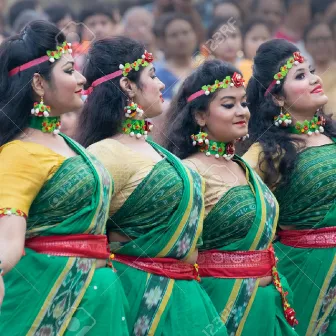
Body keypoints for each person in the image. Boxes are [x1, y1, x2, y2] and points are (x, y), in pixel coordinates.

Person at [77, 36, 228, 336]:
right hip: (139, 297)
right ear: (127, 85)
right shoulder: (105, 154)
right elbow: (82, 239)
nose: (161, 86)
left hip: (187, 297)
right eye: (153, 76)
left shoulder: (161, 152)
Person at [0, 21, 129, 335]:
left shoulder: (69, 145)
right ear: (39, 84)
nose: (83, 78)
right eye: (70, 70)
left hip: (99, 303)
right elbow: (7, 241)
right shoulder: (20, 153)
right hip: (50, 305)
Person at [164, 59, 299, 336]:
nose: (242, 112)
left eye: (244, 103)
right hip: (220, 305)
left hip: (268, 302)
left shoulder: (244, 166)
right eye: (228, 105)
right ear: (200, 115)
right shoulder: (190, 172)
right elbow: (181, 254)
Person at [243, 38, 336, 335]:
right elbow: (243, 215)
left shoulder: (332, 137)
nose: (314, 79)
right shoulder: (265, 154)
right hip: (303, 271)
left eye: (310, 71)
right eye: (300, 76)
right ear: (279, 99)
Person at [154, 13, 198, 101]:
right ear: (163, 41)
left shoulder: (206, 68)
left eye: (185, 32)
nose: (181, 39)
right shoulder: (155, 73)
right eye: (174, 35)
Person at [304, 20, 336, 119]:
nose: (321, 44)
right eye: (315, 40)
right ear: (306, 45)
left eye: (326, 39)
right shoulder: (302, 77)